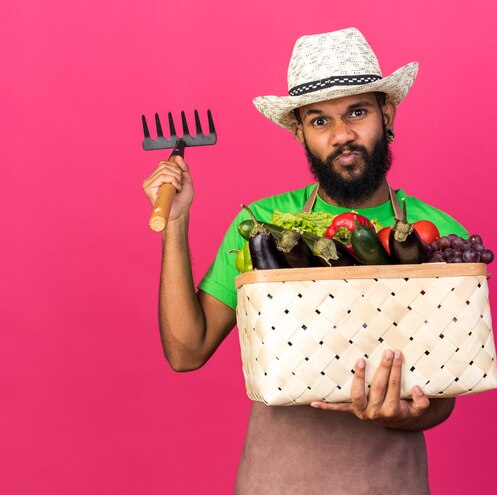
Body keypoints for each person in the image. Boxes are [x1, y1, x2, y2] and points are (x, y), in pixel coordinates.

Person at [143, 27, 468, 494]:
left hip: (390, 478)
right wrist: (175, 223)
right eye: (319, 121)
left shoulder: (433, 230)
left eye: (357, 111)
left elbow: (445, 393)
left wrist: (405, 411)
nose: (341, 135)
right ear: (299, 132)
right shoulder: (261, 222)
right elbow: (186, 350)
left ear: (386, 112)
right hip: (278, 476)